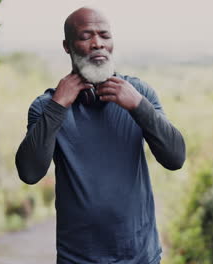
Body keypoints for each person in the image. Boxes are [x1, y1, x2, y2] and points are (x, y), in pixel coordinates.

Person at [15, 6, 186, 264]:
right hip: (78, 259)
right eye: (86, 36)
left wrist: (138, 106)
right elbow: (29, 173)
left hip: (141, 258)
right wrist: (58, 107)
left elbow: (176, 158)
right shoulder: (46, 106)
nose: (98, 43)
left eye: (104, 35)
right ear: (67, 45)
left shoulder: (139, 93)